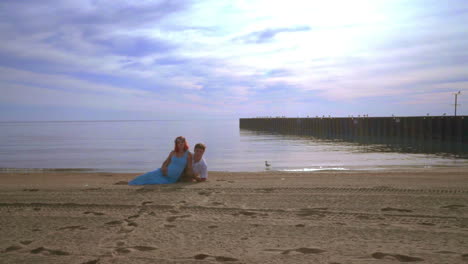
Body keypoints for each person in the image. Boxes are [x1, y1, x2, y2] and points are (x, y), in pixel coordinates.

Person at [128, 136, 192, 185]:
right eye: (178, 142)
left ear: (185, 143)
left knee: (150, 181)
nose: (180, 144)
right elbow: (166, 162)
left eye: (182, 142)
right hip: (162, 173)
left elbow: (189, 169)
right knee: (147, 175)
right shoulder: (173, 152)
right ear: (176, 144)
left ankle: (130, 182)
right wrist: (163, 167)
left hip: (171, 179)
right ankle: (130, 182)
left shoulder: (188, 155)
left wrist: (193, 178)